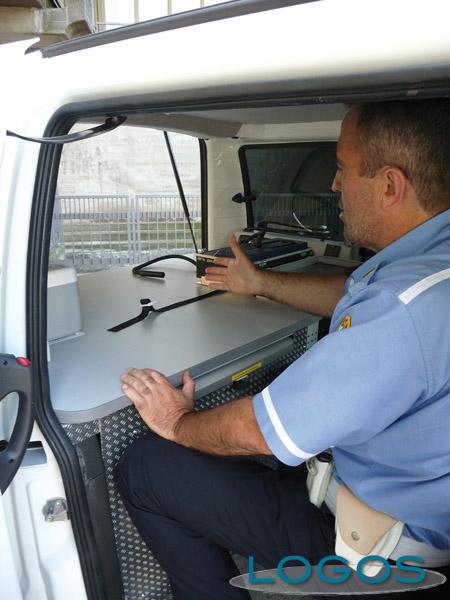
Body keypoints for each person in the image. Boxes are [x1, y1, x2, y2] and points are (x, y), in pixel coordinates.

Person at [115, 100, 450, 599]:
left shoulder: (400, 312)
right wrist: (260, 283)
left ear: (389, 186)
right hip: (415, 500)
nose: (334, 185)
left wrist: (178, 424)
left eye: (341, 168)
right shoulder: (425, 264)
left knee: (148, 468)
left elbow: (259, 431)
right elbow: (353, 293)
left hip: (388, 555)